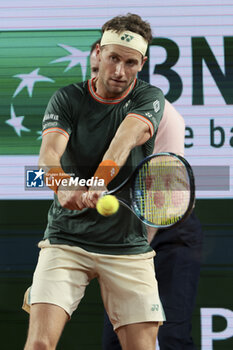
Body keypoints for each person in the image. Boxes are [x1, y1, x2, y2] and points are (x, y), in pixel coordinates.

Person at [23, 13, 167, 350]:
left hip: (127, 245)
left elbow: (125, 140)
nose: (119, 71)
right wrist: (61, 186)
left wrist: (99, 182)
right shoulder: (67, 98)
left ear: (141, 64)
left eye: (130, 62)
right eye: (113, 58)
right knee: (39, 345)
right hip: (66, 240)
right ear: (98, 53)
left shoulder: (150, 98)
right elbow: (48, 157)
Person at [89, 43, 203, 349]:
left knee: (171, 337)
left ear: (130, 72)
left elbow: (160, 203)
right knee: (117, 339)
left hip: (167, 230)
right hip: (123, 236)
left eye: (111, 69)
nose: (101, 78)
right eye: (93, 71)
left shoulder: (163, 114)